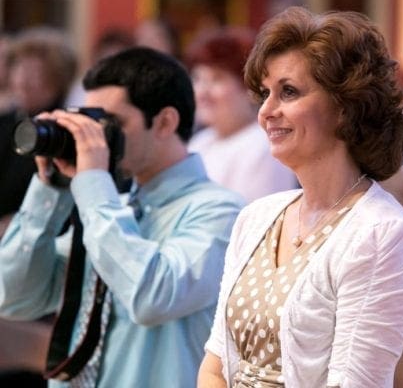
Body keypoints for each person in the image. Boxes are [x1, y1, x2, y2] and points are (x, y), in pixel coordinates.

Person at [198, 7, 403, 387]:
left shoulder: (383, 233)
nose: (267, 111)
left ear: (344, 107)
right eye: (265, 93)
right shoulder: (256, 217)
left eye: (288, 92)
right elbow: (215, 366)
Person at [0, 47, 243, 387]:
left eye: (111, 123)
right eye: (89, 120)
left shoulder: (223, 212)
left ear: (164, 122)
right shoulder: (111, 209)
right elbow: (14, 297)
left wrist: (93, 184)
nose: (96, 136)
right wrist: (50, 189)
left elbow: (152, 297)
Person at [186, 27, 297, 202]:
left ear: (249, 89)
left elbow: (259, 223)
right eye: (198, 79)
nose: (202, 92)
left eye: (217, 78)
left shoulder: (264, 147)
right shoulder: (200, 142)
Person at [0, 27, 77, 237]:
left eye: (35, 74)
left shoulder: (66, 134)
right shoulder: (7, 122)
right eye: (19, 69)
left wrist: (16, 223)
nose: (23, 81)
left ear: (58, 81)